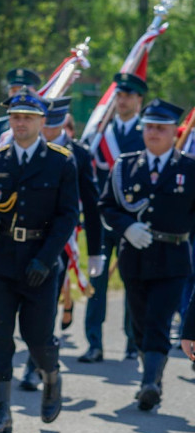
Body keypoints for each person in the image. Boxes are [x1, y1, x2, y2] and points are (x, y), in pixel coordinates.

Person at [0, 89, 79, 433]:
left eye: (28, 118)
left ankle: (51, 378)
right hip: (2, 262)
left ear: (42, 122)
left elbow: (66, 217)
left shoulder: (61, 161)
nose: (20, 123)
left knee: (38, 339)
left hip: (40, 266)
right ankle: (2, 412)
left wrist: (46, 260)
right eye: (16, 117)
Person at [98, 99, 195, 411]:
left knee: (158, 319)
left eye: (160, 128)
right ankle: (152, 373)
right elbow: (107, 207)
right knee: (139, 321)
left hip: (173, 256)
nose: (153, 132)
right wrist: (125, 227)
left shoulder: (189, 169)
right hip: (134, 256)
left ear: (173, 132)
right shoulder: (125, 166)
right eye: (149, 126)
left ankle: (149, 382)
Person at [18, 96, 103, 390]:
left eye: (55, 126)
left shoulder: (79, 154)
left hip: (59, 242)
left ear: (63, 123)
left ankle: (34, 366)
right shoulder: (22, 147)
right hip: (21, 239)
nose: (50, 132)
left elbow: (92, 205)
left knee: (45, 303)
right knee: (22, 303)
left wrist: (95, 251)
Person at [82, 72, 147, 362]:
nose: (122, 101)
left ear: (139, 100)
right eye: (119, 96)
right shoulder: (100, 130)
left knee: (133, 281)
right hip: (101, 215)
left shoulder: (147, 131)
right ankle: (94, 343)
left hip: (133, 217)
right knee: (97, 280)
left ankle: (133, 342)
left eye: (128, 96)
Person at [0, 69, 38, 151]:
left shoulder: (44, 126)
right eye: (14, 91)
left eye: (22, 90)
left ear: (35, 92)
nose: (18, 94)